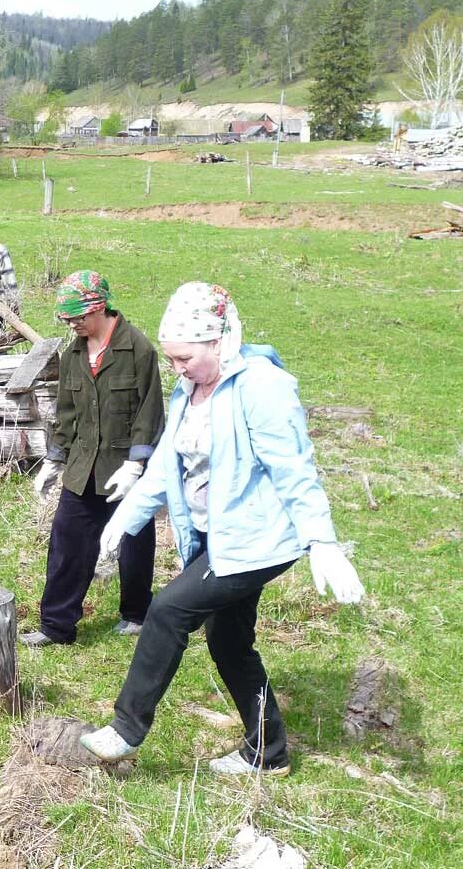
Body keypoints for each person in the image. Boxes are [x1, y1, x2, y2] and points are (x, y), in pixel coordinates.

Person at [79, 282, 365, 776]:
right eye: (171, 359)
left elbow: (295, 470)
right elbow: (168, 463)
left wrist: (322, 540)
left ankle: (126, 729)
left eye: (184, 358)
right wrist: (126, 519)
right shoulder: (190, 387)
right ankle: (268, 753)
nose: (176, 368)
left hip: (255, 541)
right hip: (218, 535)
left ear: (220, 341)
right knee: (229, 643)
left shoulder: (262, 387)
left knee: (167, 611)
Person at [19, 271, 164, 647]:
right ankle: (56, 626)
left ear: (97, 308)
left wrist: (136, 464)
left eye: (75, 318)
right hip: (83, 469)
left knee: (133, 542)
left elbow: (150, 412)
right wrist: (54, 459)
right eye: (66, 320)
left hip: (125, 468)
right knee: (67, 542)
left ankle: (136, 614)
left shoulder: (139, 350)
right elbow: (67, 412)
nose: (71, 325)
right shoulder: (74, 354)